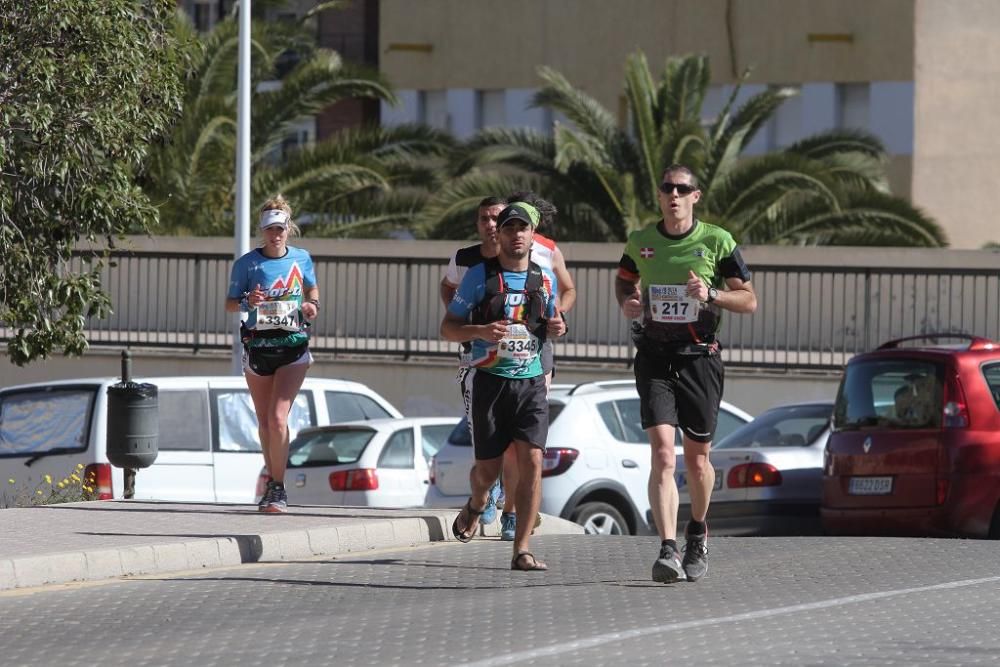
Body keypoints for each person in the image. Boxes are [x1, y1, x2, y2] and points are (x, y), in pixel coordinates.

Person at [615, 164, 757, 583]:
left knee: (697, 461)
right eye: (666, 188)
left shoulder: (717, 240)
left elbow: (749, 300)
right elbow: (624, 281)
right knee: (662, 453)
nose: (673, 195)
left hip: (700, 358)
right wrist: (628, 301)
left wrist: (710, 293)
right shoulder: (641, 242)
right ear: (659, 195)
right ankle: (667, 547)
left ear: (696, 196)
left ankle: (697, 529)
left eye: (682, 189)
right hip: (655, 355)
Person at [441, 202, 566, 571]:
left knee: (531, 461)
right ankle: (478, 502)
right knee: (487, 471)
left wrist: (559, 326)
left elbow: (551, 321)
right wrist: (479, 331)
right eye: (509, 228)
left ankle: (522, 548)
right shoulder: (480, 276)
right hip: (490, 382)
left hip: (529, 383)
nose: (515, 235)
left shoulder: (543, 278)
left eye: (521, 229)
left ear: (531, 236)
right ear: (502, 234)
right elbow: (448, 328)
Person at [225, 195, 320, 513]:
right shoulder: (247, 264)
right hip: (257, 347)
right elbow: (229, 303)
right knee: (265, 422)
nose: (275, 234)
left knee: (279, 418)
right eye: (269, 229)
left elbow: (311, 290)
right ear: (262, 231)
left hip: (292, 346)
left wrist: (312, 306)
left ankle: (278, 488)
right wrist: (247, 302)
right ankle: (272, 483)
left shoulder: (302, 258)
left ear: (288, 228)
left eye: (280, 228)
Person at [495, 191, 577, 540]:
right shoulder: (498, 244)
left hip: (537, 347)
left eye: (524, 220)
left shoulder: (548, 249)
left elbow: (569, 289)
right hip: (494, 349)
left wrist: (557, 313)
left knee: (524, 438)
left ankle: (512, 511)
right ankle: (492, 489)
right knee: (496, 434)